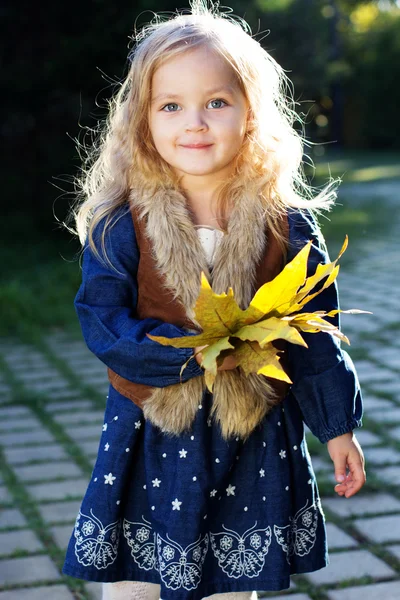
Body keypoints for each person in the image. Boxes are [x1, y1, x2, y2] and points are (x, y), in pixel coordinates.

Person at [62, 2, 366, 599]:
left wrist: (337, 429)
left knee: (232, 580)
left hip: (246, 436)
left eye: (216, 102)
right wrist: (185, 354)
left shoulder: (289, 226)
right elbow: (101, 319)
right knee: (135, 583)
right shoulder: (121, 223)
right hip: (151, 430)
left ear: (251, 112)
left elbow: (316, 333)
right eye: (170, 106)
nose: (194, 123)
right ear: (142, 120)